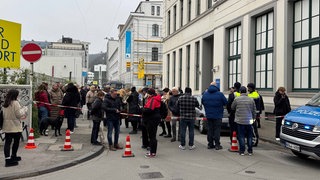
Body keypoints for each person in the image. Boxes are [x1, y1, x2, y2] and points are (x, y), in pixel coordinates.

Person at [2, 89, 28, 167]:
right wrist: (24, 109)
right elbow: (19, 115)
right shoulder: (15, 103)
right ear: (15, 95)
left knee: (7, 143)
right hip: (15, 126)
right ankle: (13, 156)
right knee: (16, 142)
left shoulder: (5, 103)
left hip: (7, 126)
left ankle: (8, 159)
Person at [202, 82, 228, 150]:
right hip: (218, 115)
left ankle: (210, 144)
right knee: (217, 130)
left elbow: (202, 102)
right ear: (216, 86)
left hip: (209, 115)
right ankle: (217, 144)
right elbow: (226, 102)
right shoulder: (220, 94)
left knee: (210, 130)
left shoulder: (205, 94)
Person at [231, 86, 256, 156]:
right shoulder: (251, 99)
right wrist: (253, 119)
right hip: (249, 120)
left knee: (241, 135)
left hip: (240, 120)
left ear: (240, 92)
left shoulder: (237, 99)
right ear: (246, 91)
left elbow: (232, 107)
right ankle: (250, 150)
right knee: (250, 135)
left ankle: (242, 151)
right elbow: (254, 110)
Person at [142, 88, 161, 158]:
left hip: (152, 120)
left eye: (147, 93)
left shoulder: (153, 99)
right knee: (152, 136)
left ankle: (152, 152)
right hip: (153, 119)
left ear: (150, 94)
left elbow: (149, 109)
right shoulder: (154, 99)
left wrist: (142, 109)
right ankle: (152, 152)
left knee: (152, 136)